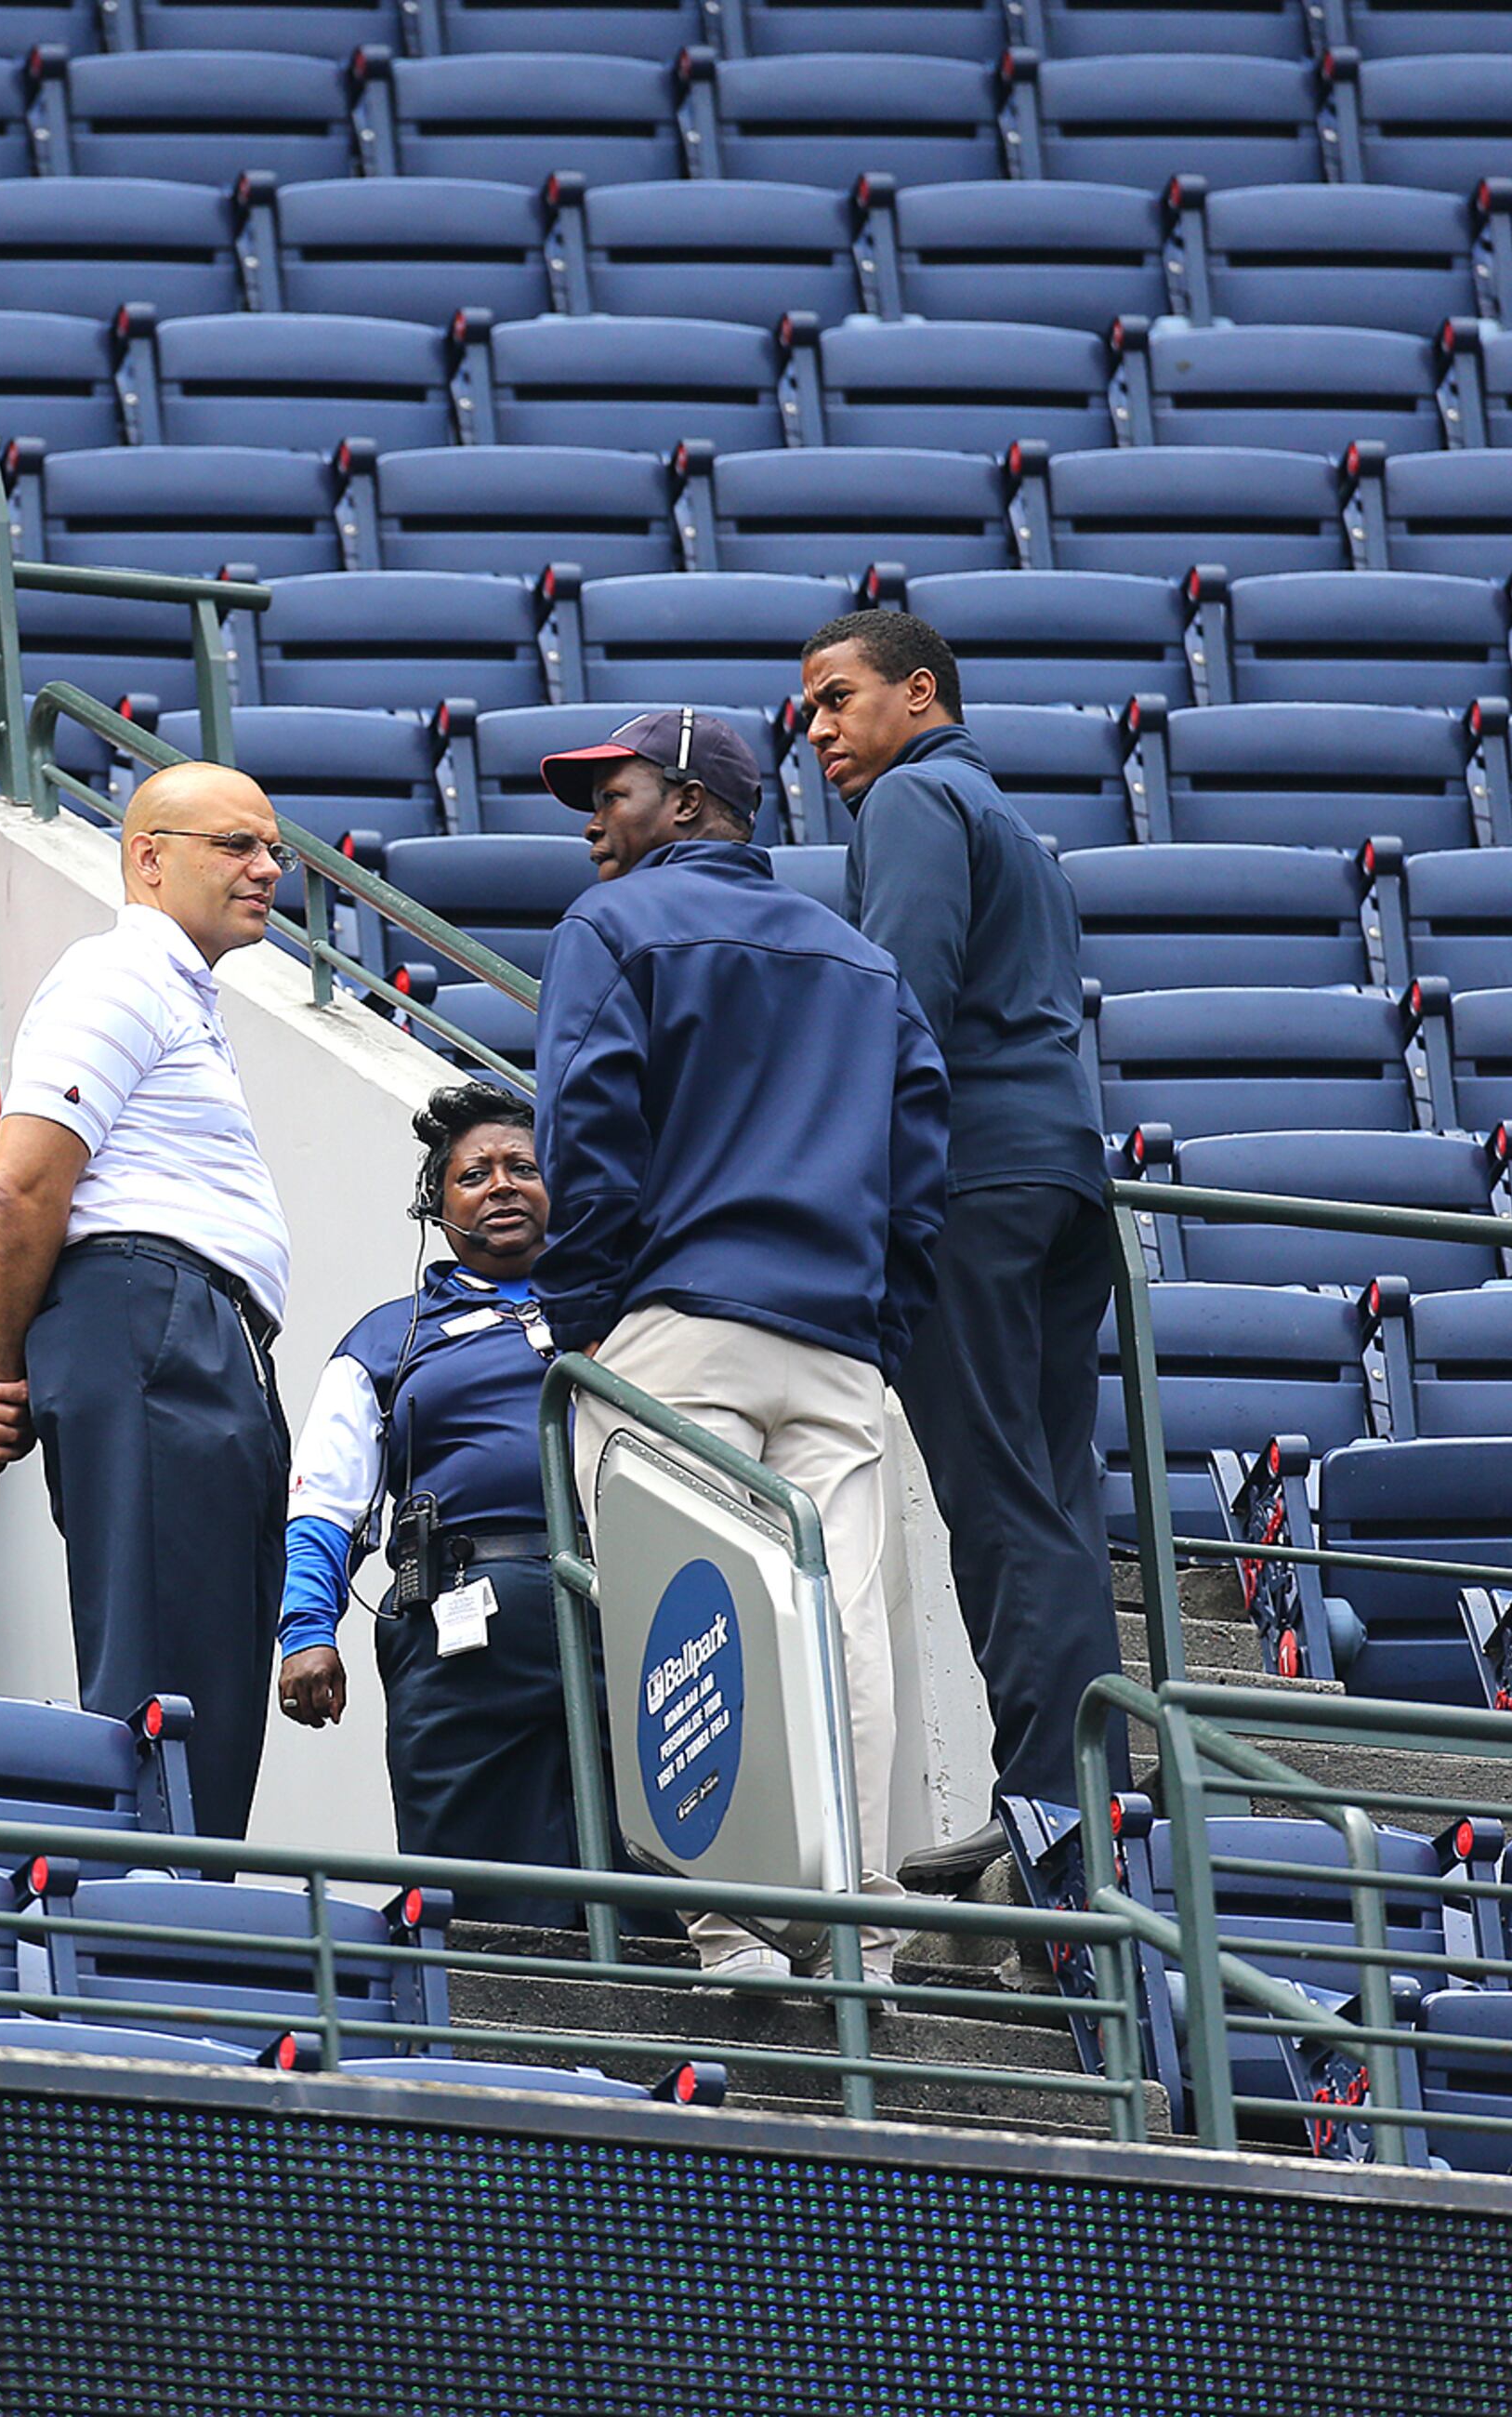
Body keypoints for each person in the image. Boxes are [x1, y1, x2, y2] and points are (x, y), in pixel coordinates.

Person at [531, 705, 950, 1975]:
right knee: (845, 1631)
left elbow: (588, 1147)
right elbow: (920, 1175)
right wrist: (871, 1327)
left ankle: (740, 1933)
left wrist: (587, 1316)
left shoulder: (612, 927)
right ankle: (863, 1935)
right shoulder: (861, 962)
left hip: (674, 1330)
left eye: (617, 792)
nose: (595, 817)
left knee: (688, 1620)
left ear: (695, 802)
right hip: (834, 1346)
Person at [806, 607, 1123, 1895]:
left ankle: (1048, 1801)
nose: (817, 730)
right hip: (1058, 1176)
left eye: (836, 699)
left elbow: (904, 994)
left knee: (996, 1505)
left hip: (975, 1184)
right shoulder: (1010, 821)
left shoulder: (913, 805)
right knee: (1049, 1496)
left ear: (918, 692)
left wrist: (846, 1182)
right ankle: (1076, 1784)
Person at [0, 761, 296, 1840]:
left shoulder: (175, 986)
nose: (268, 867)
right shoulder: (119, 972)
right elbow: (19, 1186)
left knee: (213, 1675)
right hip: (152, 1318)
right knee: (166, 1675)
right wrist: (2, 1382)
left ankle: (184, 1929)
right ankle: (154, 1939)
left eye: (272, 846)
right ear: (149, 856)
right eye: (236, 844)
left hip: (190, 1332)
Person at [276, 1082, 588, 1926]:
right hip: (458, 1637)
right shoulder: (387, 1337)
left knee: (644, 1861)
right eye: (474, 1174)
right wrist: (307, 1633)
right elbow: (326, 1501)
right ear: (435, 1204)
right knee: (475, 1887)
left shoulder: (613, 1312)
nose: (502, 1185)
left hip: (618, 1618)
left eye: (523, 1167)